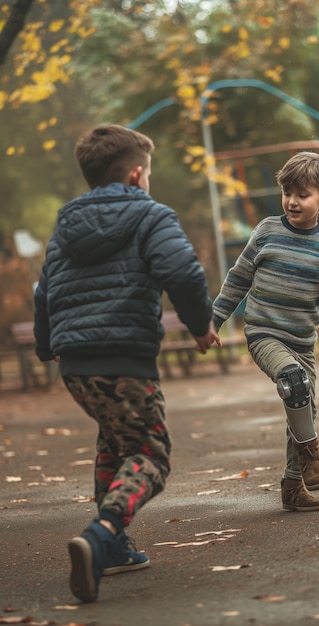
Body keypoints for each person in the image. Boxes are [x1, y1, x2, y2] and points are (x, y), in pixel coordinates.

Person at [33, 124, 220, 603]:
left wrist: (46, 344)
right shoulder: (150, 215)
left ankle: (112, 550)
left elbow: (44, 291)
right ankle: (101, 535)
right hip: (124, 359)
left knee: (114, 442)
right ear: (138, 175)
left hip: (75, 364)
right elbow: (181, 271)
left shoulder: (66, 226)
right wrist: (200, 327)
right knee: (150, 455)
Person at [211, 151, 319, 513]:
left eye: (302, 194)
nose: (292, 201)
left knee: (302, 405)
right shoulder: (266, 232)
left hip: (302, 343)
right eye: (287, 193)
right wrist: (214, 319)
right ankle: (312, 456)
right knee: (293, 382)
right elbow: (238, 279)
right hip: (264, 333)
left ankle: (293, 487)